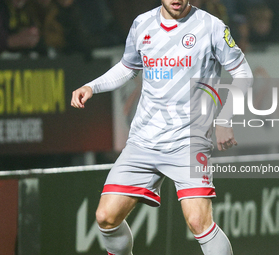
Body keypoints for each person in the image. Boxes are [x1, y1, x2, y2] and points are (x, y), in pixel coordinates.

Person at [71, 0, 253, 254]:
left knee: (198, 221)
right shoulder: (142, 24)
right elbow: (127, 67)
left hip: (188, 141)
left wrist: (224, 119)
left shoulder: (211, 27)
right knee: (106, 217)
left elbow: (243, 73)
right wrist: (92, 86)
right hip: (143, 141)